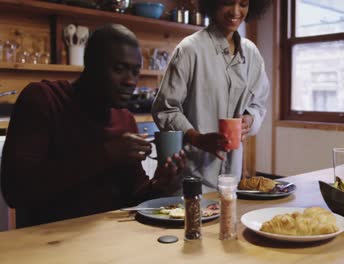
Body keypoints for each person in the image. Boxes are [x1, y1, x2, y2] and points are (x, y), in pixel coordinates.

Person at [0, 24, 185, 228]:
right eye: (119, 69)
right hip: (48, 243)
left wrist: (160, 186)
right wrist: (106, 153)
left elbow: (133, 198)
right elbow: (16, 192)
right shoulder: (44, 100)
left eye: (135, 71)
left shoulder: (125, 119)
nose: (130, 81)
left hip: (107, 240)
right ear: (90, 64)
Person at [152, 0, 272, 191]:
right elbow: (165, 108)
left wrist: (249, 119)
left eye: (243, 4)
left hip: (232, 179)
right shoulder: (190, 49)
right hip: (192, 177)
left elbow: (258, 103)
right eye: (227, 2)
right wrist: (197, 138)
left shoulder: (252, 54)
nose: (235, 11)